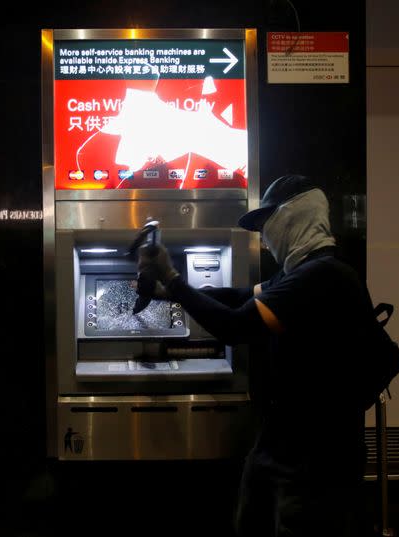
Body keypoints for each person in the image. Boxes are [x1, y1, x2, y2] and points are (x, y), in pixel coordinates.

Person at [138, 174, 372, 537]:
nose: (263, 239)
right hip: (283, 440)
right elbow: (239, 297)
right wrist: (165, 291)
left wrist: (172, 277)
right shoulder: (298, 272)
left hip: (317, 458)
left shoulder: (323, 277)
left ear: (295, 217)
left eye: (266, 224)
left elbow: (235, 326)